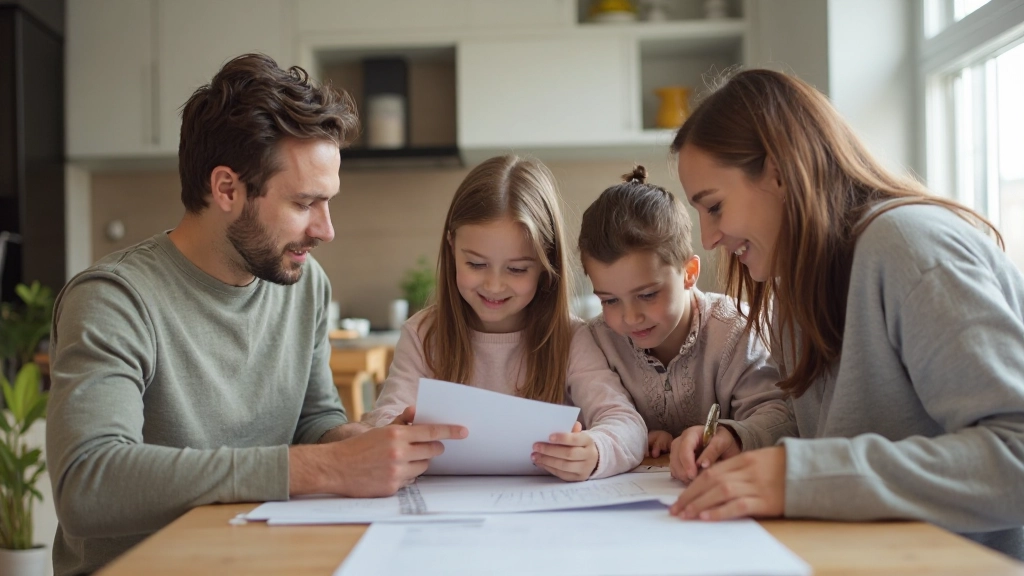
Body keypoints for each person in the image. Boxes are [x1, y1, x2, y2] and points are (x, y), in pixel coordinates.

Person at [46, 54, 466, 576]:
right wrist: (318, 466)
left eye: (328, 202)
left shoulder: (305, 285)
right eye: (304, 203)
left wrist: (351, 444)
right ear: (226, 189)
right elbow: (87, 484)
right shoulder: (114, 299)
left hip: (262, 560)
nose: (325, 230)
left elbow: (315, 420)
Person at [666, 68, 1024, 560]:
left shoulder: (909, 248)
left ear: (777, 172)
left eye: (714, 207)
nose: (708, 239)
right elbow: (830, 429)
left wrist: (797, 478)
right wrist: (744, 440)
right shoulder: (798, 279)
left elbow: (1015, 455)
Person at [361, 155, 647, 480]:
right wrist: (391, 436)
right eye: (476, 265)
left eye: (516, 269)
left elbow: (627, 425)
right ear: (452, 247)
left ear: (545, 263)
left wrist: (595, 451)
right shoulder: (423, 334)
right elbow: (385, 421)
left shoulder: (571, 337)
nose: (494, 285)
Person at [577, 166, 793, 480]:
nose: (629, 317)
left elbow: (779, 417)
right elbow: (593, 420)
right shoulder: (597, 342)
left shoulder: (736, 331)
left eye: (647, 294)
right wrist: (635, 439)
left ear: (689, 272)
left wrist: (731, 434)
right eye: (610, 300)